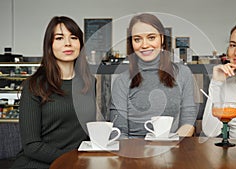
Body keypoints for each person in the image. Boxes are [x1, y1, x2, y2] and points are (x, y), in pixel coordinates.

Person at [11, 16, 96, 169]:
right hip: (38, 164)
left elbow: (92, 132)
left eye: (73, 37)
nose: (68, 43)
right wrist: (72, 161)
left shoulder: (91, 84)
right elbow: (32, 146)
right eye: (59, 38)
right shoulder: (34, 86)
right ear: (49, 45)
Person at [110, 13, 197, 139]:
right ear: (132, 44)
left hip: (173, 149)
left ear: (162, 39)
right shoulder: (122, 81)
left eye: (151, 37)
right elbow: (119, 131)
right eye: (137, 39)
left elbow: (188, 121)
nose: (144, 45)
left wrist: (169, 146)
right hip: (133, 152)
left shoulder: (183, 73)